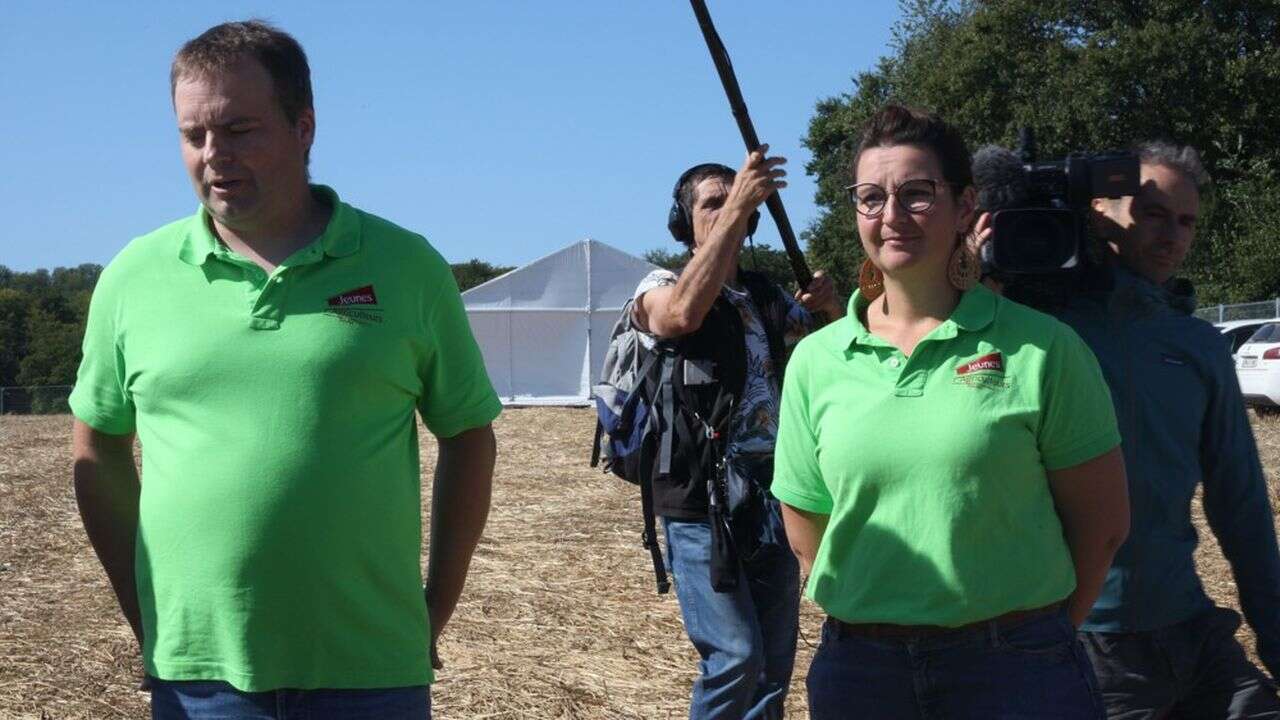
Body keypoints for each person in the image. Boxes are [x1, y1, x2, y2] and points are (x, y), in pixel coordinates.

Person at [69, 20, 500, 720]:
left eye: (239, 130)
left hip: (372, 671)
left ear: (304, 127)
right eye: (193, 135)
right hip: (198, 679)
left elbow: (468, 434)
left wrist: (433, 610)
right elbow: (96, 448)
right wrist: (145, 613)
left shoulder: (404, 265)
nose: (214, 156)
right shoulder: (133, 277)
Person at [772, 104, 1130, 719]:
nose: (891, 216)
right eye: (870, 197)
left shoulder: (1044, 349)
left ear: (964, 207)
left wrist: (1030, 638)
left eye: (917, 194)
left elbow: (1101, 529)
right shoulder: (816, 360)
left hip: (1016, 673)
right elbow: (808, 532)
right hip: (863, 676)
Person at [1056, 142, 1280, 718]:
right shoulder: (1041, 334)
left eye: (1186, 221)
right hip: (1087, 643)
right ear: (1100, 210)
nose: (1173, 235)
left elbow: (1243, 505)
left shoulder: (1198, 344)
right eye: (1154, 213)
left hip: (1192, 628)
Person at [630, 150, 843, 719]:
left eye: (736, 199)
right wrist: (740, 207)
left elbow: (840, 353)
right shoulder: (661, 285)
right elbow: (677, 318)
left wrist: (831, 306)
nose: (729, 208)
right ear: (684, 222)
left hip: (774, 501)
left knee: (773, 671)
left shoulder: (768, 295)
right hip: (701, 504)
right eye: (712, 203)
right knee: (735, 657)